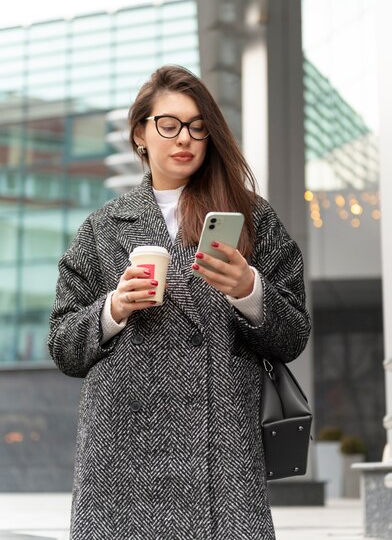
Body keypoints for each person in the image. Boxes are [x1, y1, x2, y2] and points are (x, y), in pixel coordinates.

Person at [49, 65, 311, 540]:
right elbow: (63, 346)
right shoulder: (103, 227)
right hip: (123, 455)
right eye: (168, 125)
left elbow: (294, 334)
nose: (183, 138)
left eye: (197, 127)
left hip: (221, 448)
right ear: (140, 134)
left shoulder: (251, 217)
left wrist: (248, 289)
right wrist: (114, 309)